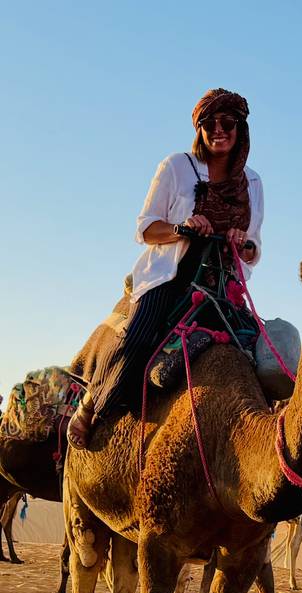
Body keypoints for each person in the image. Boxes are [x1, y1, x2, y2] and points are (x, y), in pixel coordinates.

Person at [67, 87, 264, 449]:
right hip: (170, 278)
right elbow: (144, 227)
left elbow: (254, 247)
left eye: (228, 122)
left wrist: (243, 242)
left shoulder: (252, 182)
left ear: (241, 129)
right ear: (200, 128)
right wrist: (181, 229)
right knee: (138, 339)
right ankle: (90, 406)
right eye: (210, 123)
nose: (219, 130)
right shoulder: (177, 166)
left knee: (262, 357)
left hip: (222, 285)